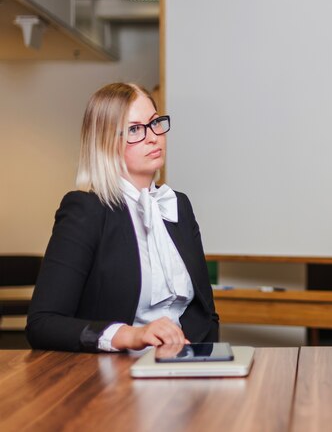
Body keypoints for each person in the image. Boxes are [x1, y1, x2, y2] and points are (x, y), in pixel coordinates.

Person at [27, 83, 219, 352]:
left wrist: (204, 360)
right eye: (134, 130)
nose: (153, 137)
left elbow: (205, 312)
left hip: (182, 369)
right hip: (112, 375)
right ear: (105, 143)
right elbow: (42, 324)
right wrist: (129, 335)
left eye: (154, 123)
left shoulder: (178, 205)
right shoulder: (86, 209)